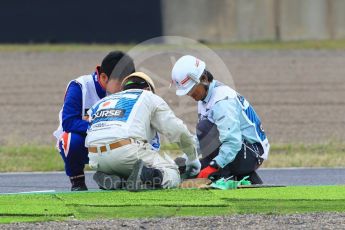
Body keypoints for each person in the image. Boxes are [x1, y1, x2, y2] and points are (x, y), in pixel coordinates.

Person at [85, 72, 200, 191]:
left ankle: (112, 178)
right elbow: (178, 131)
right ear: (148, 88)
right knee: (172, 172)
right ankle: (147, 176)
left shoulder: (102, 102)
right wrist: (192, 157)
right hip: (126, 150)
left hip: (95, 157)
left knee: (127, 166)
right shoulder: (149, 96)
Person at [171, 55, 270, 184]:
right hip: (238, 148)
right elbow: (201, 140)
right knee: (188, 169)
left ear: (204, 79)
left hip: (251, 152)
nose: (190, 95)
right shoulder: (205, 97)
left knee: (205, 127)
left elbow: (232, 141)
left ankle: (224, 175)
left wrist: (214, 166)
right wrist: (187, 158)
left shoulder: (222, 101)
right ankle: (229, 174)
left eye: (192, 89)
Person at [53, 51, 135, 191]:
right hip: (86, 145)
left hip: (115, 144)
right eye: (120, 83)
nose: (124, 87)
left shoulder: (129, 90)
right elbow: (68, 122)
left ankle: (117, 176)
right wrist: (100, 124)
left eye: (127, 82)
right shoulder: (79, 86)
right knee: (69, 139)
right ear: (103, 77)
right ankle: (77, 182)